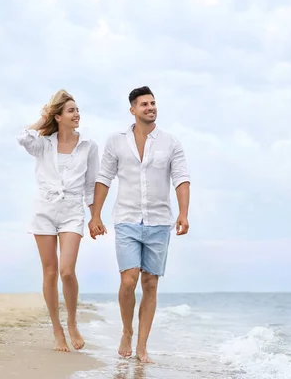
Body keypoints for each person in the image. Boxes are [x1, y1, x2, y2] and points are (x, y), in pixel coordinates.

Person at [88, 86, 191, 363]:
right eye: (144, 104)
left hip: (159, 221)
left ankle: (142, 346)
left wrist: (184, 213)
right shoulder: (116, 141)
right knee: (128, 280)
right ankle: (126, 330)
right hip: (127, 219)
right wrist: (95, 216)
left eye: (153, 103)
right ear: (132, 109)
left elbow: (181, 178)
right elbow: (103, 178)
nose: (150, 107)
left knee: (150, 284)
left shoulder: (171, 142)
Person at [17, 89, 100, 352]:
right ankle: (57, 329)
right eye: (71, 110)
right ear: (59, 116)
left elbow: (91, 185)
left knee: (66, 271)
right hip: (44, 209)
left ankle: (72, 321)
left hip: (73, 210)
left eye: (77, 110)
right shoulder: (44, 144)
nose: (77, 114)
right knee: (50, 272)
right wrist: (45, 117)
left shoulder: (88, 145)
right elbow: (23, 137)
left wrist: (94, 216)